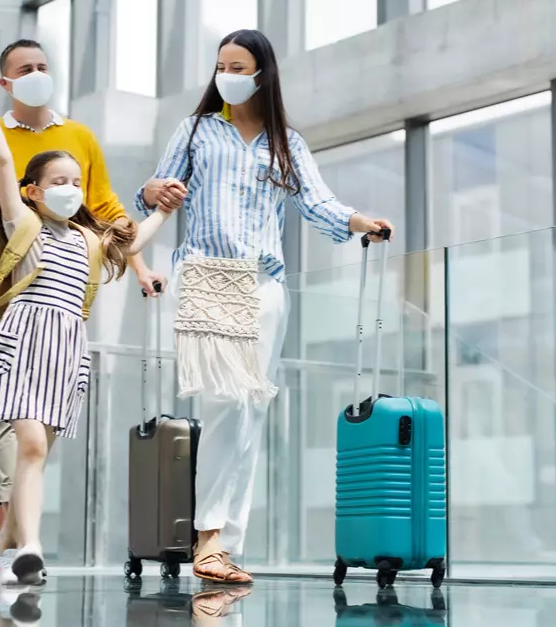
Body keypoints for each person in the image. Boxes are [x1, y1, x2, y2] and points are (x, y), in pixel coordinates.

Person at [137, 29, 394, 583]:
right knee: (226, 401)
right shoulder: (197, 130)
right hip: (207, 274)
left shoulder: (286, 143)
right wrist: (154, 190)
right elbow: (153, 191)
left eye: (238, 65)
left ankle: (224, 544)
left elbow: (318, 203)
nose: (226, 73)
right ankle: (207, 538)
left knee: (250, 411)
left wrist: (361, 223)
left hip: (265, 286)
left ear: (261, 75)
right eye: (220, 64)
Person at [0, 39, 165, 573]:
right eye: (24, 68)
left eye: (43, 65)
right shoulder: (11, 196)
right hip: (15, 306)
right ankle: (14, 533)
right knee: (22, 436)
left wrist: (147, 251)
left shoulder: (79, 145)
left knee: (39, 448)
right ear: (6, 81)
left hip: (67, 339)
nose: (37, 73)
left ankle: (11, 539)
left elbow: (113, 222)